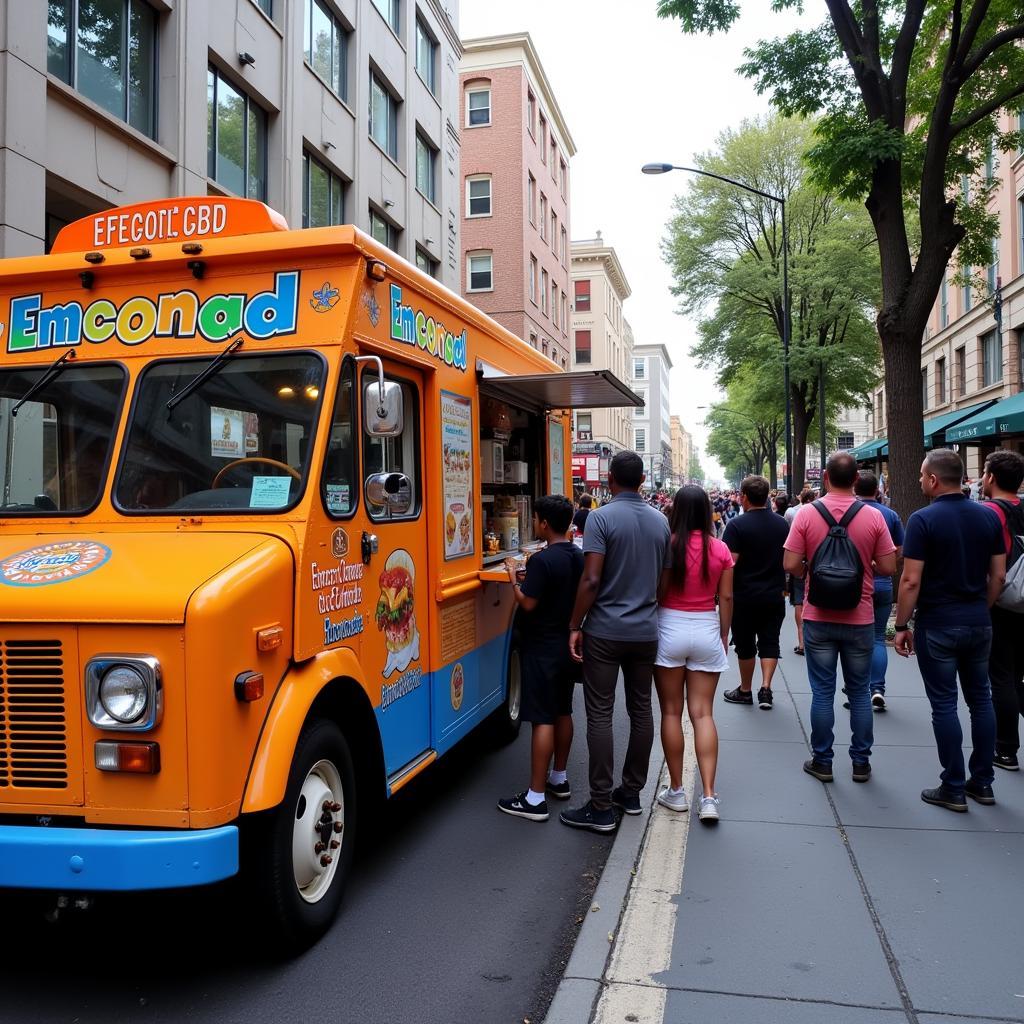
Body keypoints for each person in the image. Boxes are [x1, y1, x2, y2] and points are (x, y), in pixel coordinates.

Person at [562, 451, 671, 834]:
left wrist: (575, 624)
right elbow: (663, 582)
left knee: (600, 714)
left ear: (610, 480)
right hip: (645, 630)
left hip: (606, 631)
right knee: (642, 709)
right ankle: (632, 792)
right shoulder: (660, 521)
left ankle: (601, 804)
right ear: (643, 480)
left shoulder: (600, 518)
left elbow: (590, 580)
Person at [894, 449, 1006, 812]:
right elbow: (999, 576)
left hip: (938, 623)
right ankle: (983, 782)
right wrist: (981, 608)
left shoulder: (923, 520)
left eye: (921, 475)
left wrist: (900, 624)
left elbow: (911, 581)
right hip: (977, 621)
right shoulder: (988, 518)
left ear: (932, 479)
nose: (919, 480)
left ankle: (953, 786)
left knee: (944, 704)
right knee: (981, 700)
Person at [784, 451, 896, 783]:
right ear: (856, 481)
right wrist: (864, 566)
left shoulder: (806, 514)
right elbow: (889, 567)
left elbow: (790, 564)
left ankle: (823, 760)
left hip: (818, 615)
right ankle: (860, 762)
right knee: (860, 691)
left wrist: (811, 572)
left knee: (822, 692)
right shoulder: (873, 517)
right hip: (859, 616)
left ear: (826, 478)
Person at [498, 495, 583, 821]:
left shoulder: (541, 561)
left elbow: (528, 603)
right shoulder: (576, 556)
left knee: (542, 718)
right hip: (566, 644)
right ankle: (559, 777)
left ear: (544, 523)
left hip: (541, 647)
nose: (534, 523)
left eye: (534, 519)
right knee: (563, 710)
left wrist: (511, 578)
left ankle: (534, 797)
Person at [653, 486, 733, 822]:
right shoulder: (721, 548)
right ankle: (710, 797)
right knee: (703, 714)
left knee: (671, 713)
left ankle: (676, 791)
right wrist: (724, 634)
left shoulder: (667, 545)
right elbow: (726, 599)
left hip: (668, 626)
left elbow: (657, 591)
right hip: (705, 627)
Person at [720, 475, 790, 710]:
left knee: (745, 643)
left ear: (744, 497)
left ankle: (745, 689)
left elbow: (730, 562)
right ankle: (767, 688)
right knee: (770, 641)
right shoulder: (782, 524)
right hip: (774, 594)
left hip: (744, 596)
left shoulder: (736, 525)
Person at [980, 450, 1024, 771]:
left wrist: (985, 603)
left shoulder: (988, 513)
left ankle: (1006, 750)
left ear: (991, 477)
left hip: (1002, 603)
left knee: (1003, 676)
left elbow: (992, 571)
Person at [853, 471, 904, 711]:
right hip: (883, 583)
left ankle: (858, 690)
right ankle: (877, 689)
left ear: (855, 488)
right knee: (877, 639)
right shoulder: (891, 515)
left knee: (854, 641)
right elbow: (899, 551)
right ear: (877, 490)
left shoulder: (851, 513)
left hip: (855, 586)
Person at [785, 487, 814, 654]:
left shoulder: (792, 513)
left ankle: (802, 641)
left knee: (799, 602)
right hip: (815, 565)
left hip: (799, 561)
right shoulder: (819, 512)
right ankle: (811, 639)